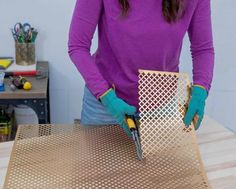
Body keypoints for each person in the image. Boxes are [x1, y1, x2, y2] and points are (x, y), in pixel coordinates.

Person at [68, 0, 214, 134]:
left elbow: (203, 49)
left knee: (160, 163)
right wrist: (106, 97)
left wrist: (201, 90)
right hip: (105, 107)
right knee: (96, 163)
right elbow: (78, 46)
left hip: (163, 108)